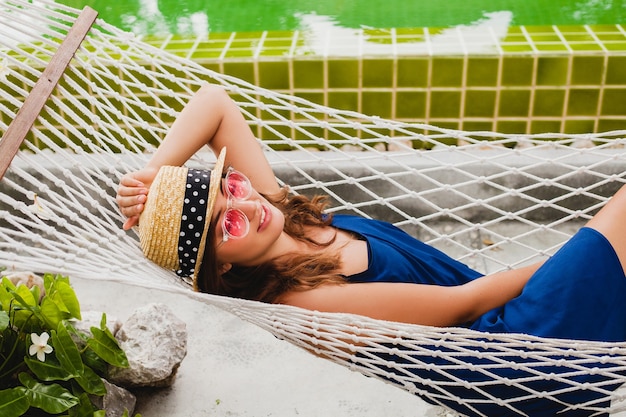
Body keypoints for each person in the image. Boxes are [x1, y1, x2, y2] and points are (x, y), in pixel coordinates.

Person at [117, 84, 626, 416]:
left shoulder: (279, 215)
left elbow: (215, 103)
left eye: (231, 185)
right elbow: (463, 304)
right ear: (222, 263)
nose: (245, 205)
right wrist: (565, 263)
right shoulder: (303, 304)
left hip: (508, 319)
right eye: (226, 222)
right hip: (516, 358)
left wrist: (153, 177)